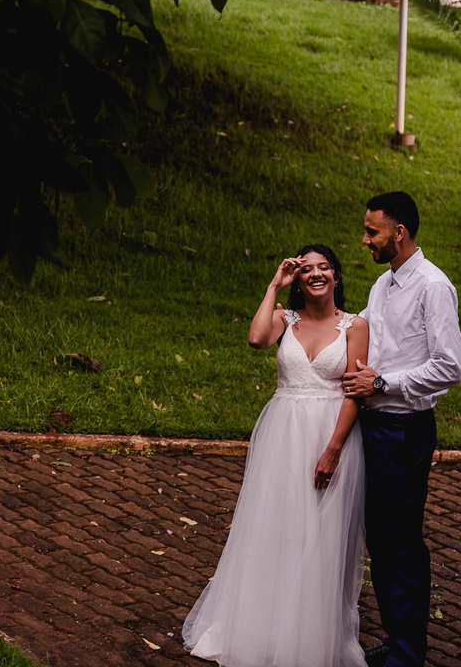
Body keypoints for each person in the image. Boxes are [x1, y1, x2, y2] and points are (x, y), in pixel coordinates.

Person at [183, 245, 369, 667]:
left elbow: (355, 392)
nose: (316, 274)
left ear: (336, 276)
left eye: (324, 268)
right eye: (306, 269)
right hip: (283, 435)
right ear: (298, 279)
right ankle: (265, 626)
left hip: (329, 437)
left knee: (321, 538)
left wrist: (334, 449)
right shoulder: (286, 319)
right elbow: (255, 338)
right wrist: (273, 285)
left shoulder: (356, 326)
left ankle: (313, 637)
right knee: (278, 527)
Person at [343, 191, 461, 667]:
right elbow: (356, 328)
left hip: (405, 430)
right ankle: (396, 639)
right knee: (379, 536)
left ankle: (409, 653)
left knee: (401, 540)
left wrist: (386, 381)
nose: (365, 238)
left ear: (400, 232)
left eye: (372, 231)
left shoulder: (434, 286)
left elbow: (449, 366)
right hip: (372, 427)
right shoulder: (381, 284)